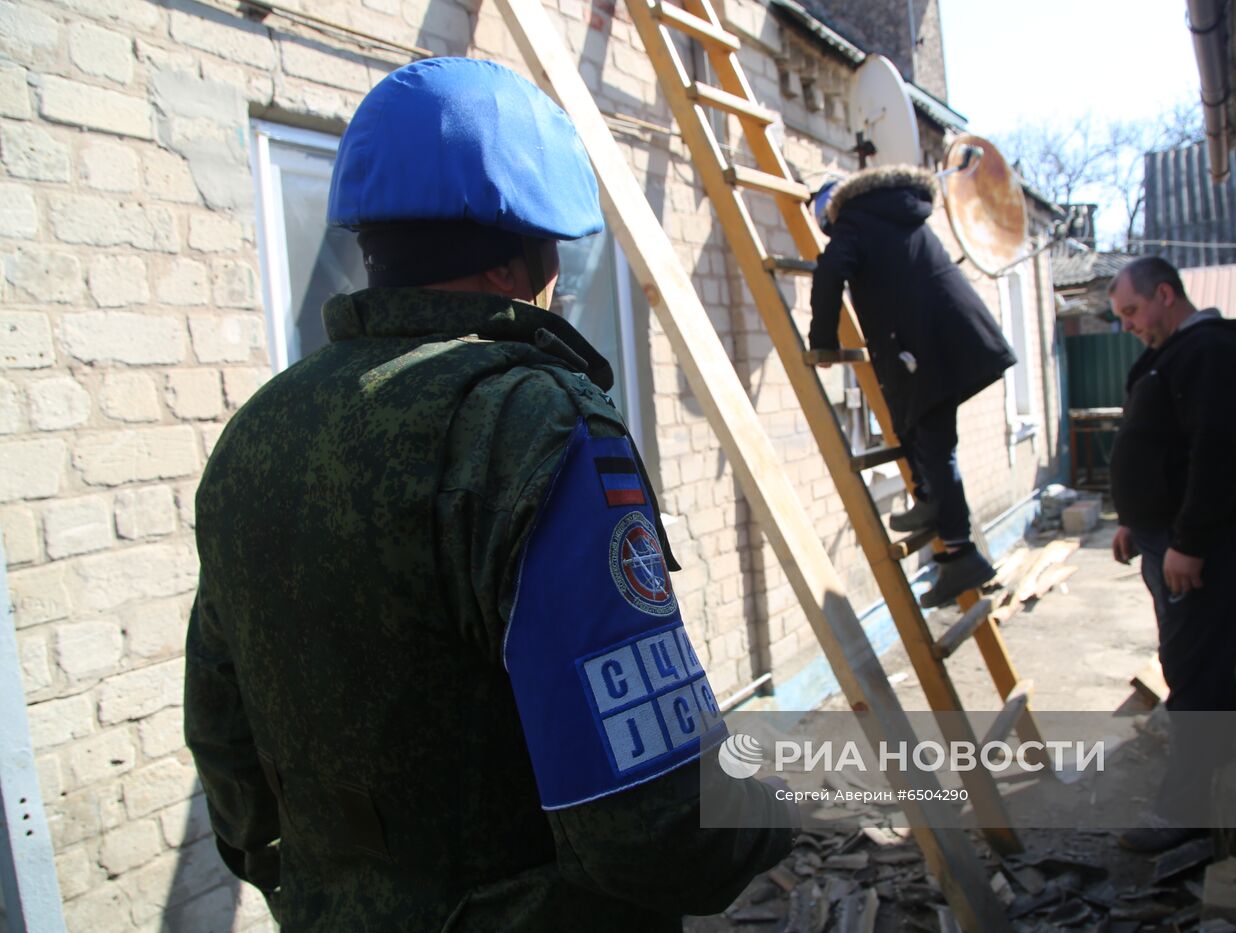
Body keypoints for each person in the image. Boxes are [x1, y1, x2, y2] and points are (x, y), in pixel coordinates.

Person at [183, 57, 793, 932]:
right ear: (518, 264)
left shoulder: (258, 432)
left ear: (372, 244)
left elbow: (227, 751)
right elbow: (652, 828)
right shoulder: (530, 423)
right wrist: (781, 802)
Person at [1106, 256, 1236, 853]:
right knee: (1192, 663)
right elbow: (1159, 442)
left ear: (1165, 294)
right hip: (1167, 538)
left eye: (1132, 311)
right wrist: (1134, 521)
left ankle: (1186, 811)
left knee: (1195, 672)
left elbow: (1216, 453)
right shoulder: (1175, 351)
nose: (1128, 325)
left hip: (1205, 544)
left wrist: (1190, 543)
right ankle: (1214, 773)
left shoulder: (1212, 352)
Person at [809, 166, 1016, 609]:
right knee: (924, 429)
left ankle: (960, 554)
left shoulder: (855, 220)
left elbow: (830, 271)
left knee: (934, 439)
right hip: (949, 335)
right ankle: (929, 501)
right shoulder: (893, 212)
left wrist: (823, 341)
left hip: (927, 343)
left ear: (832, 212)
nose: (832, 233)